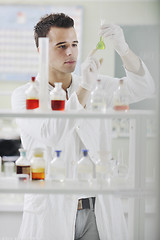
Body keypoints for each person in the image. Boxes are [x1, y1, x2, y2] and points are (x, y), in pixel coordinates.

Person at [12, 13, 155, 240]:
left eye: (74, 44)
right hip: (51, 211)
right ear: (41, 50)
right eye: (61, 46)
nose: (70, 52)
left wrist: (124, 49)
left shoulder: (96, 84)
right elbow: (53, 134)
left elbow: (144, 88)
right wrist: (85, 88)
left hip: (98, 212)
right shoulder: (25, 96)